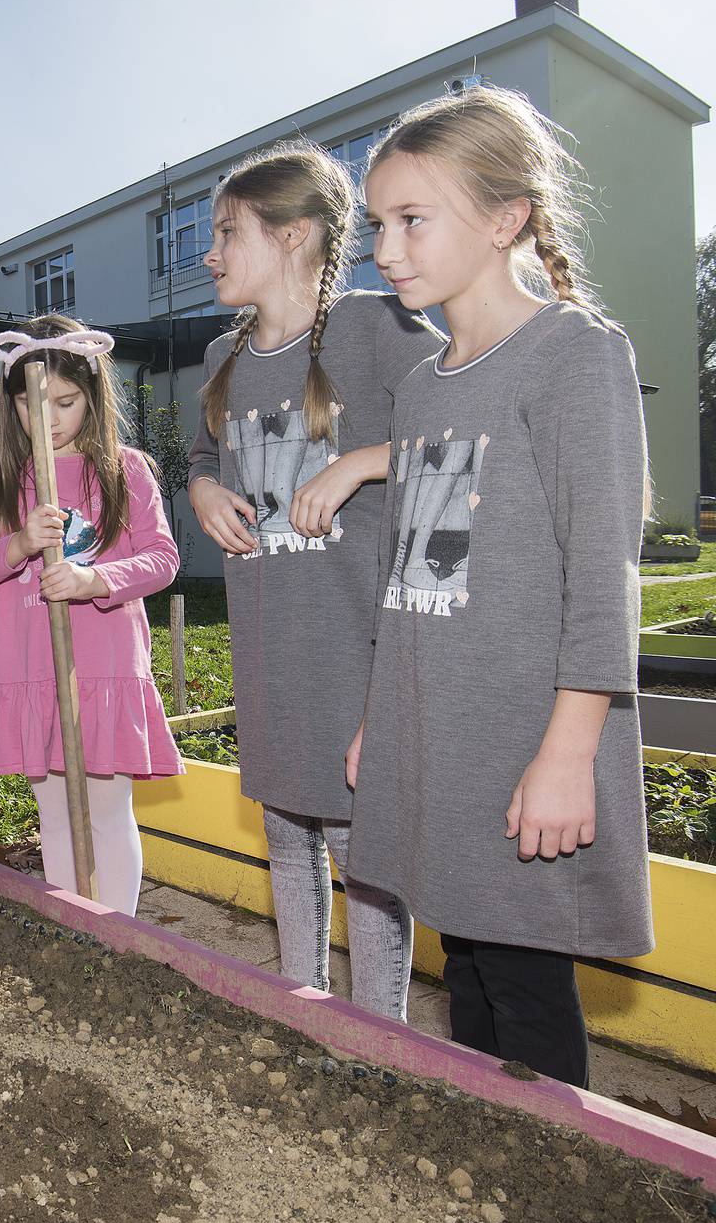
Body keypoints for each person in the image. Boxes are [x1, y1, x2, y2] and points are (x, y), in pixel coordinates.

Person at [347, 86, 653, 1088]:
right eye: (377, 225)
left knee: (525, 991)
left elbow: (603, 576)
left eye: (411, 219)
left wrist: (569, 753)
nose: (386, 248)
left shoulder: (574, 356)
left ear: (505, 218)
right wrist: (379, 720)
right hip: (440, 744)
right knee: (467, 975)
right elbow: (408, 576)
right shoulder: (421, 385)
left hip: (527, 748)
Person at [184, 141, 443, 1020]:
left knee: (364, 854)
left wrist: (362, 461)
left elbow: (462, 430)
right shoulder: (222, 355)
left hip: (355, 646)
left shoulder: (376, 329)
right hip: (270, 649)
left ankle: (379, 1037)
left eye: (226, 232)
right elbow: (200, 454)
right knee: (286, 837)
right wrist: (204, 486)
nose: (209, 253)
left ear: (294, 236)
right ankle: (300, 1005)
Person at [0, 315, 182, 915]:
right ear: (11, 407)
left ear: (93, 397)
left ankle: (120, 933)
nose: (48, 417)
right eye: (33, 405)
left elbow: (162, 558)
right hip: (34, 670)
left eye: (66, 401)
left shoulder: (125, 470)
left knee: (107, 812)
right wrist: (20, 545)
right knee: (54, 815)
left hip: (103, 669)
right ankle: (72, 923)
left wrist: (93, 580)